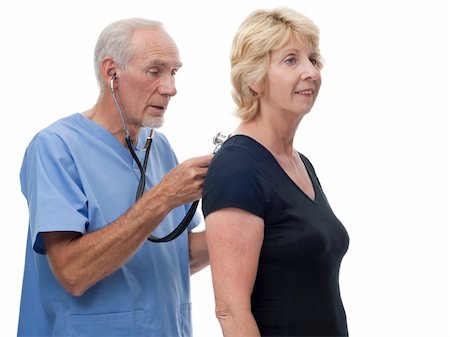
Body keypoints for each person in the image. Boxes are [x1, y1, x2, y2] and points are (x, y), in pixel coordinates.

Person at [17, 18, 213, 337]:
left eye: (173, 72)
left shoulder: (157, 147)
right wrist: (164, 197)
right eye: (155, 71)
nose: (171, 88)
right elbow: (73, 273)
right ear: (111, 72)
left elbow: (175, 258)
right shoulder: (55, 147)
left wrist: (251, 217)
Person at [202, 7, 349, 337]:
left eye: (313, 59)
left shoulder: (301, 163)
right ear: (254, 78)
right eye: (291, 60)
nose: (310, 71)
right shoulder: (238, 167)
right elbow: (231, 311)